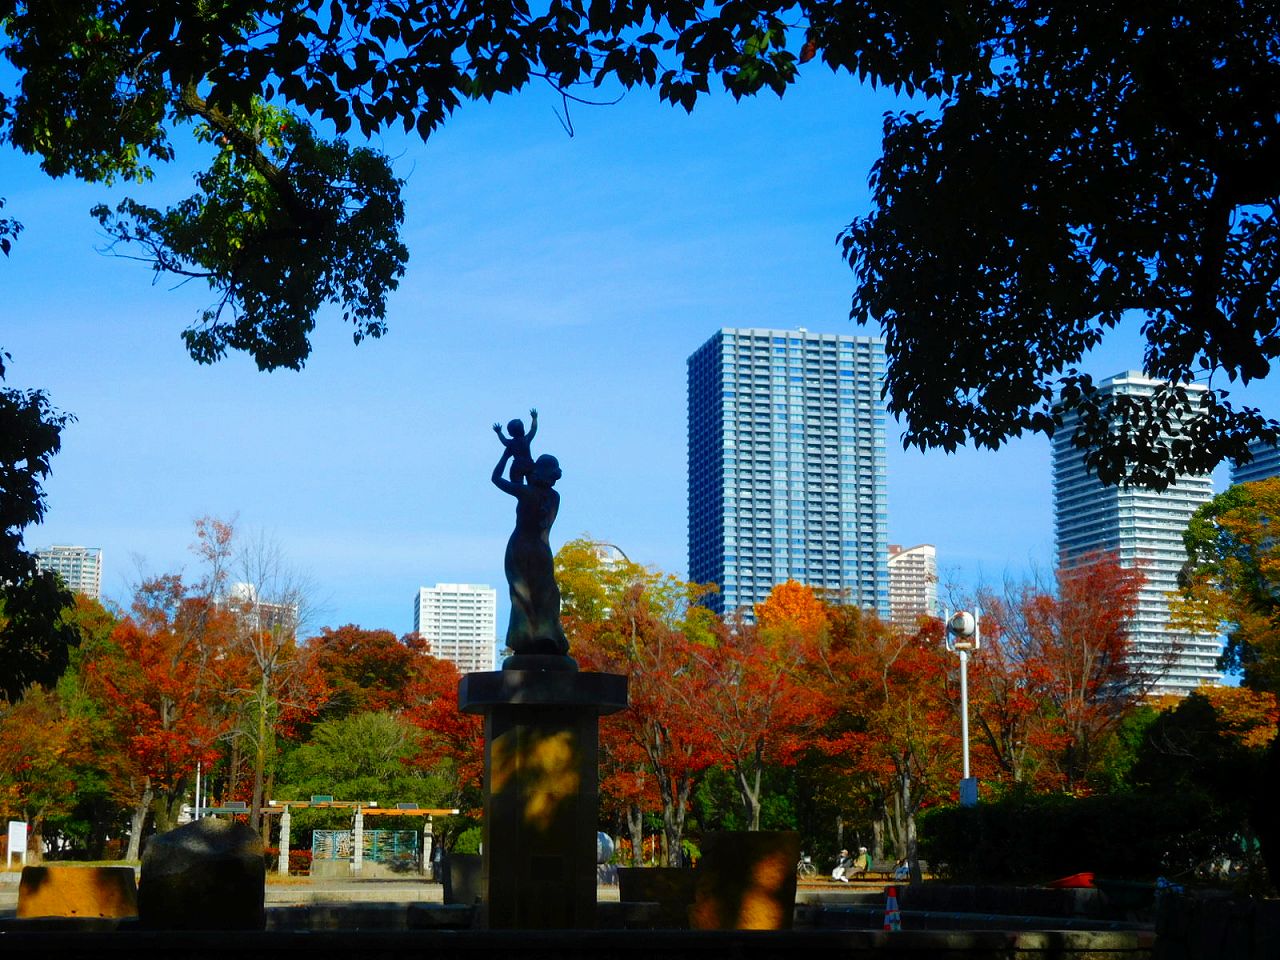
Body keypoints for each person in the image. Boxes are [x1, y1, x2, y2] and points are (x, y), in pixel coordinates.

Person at [492, 444, 569, 657]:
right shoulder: (554, 497)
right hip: (542, 550)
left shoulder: (525, 492)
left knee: (521, 594)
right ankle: (548, 638)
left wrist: (507, 454)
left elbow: (496, 479)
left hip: (520, 547)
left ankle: (524, 639)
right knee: (547, 593)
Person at [493, 408, 538, 484]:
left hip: (517, 465)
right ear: (523, 430)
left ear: (510, 433)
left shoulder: (511, 443)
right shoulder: (526, 439)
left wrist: (499, 432)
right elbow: (533, 428)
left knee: (517, 486)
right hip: (529, 464)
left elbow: (503, 440)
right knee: (532, 484)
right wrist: (534, 418)